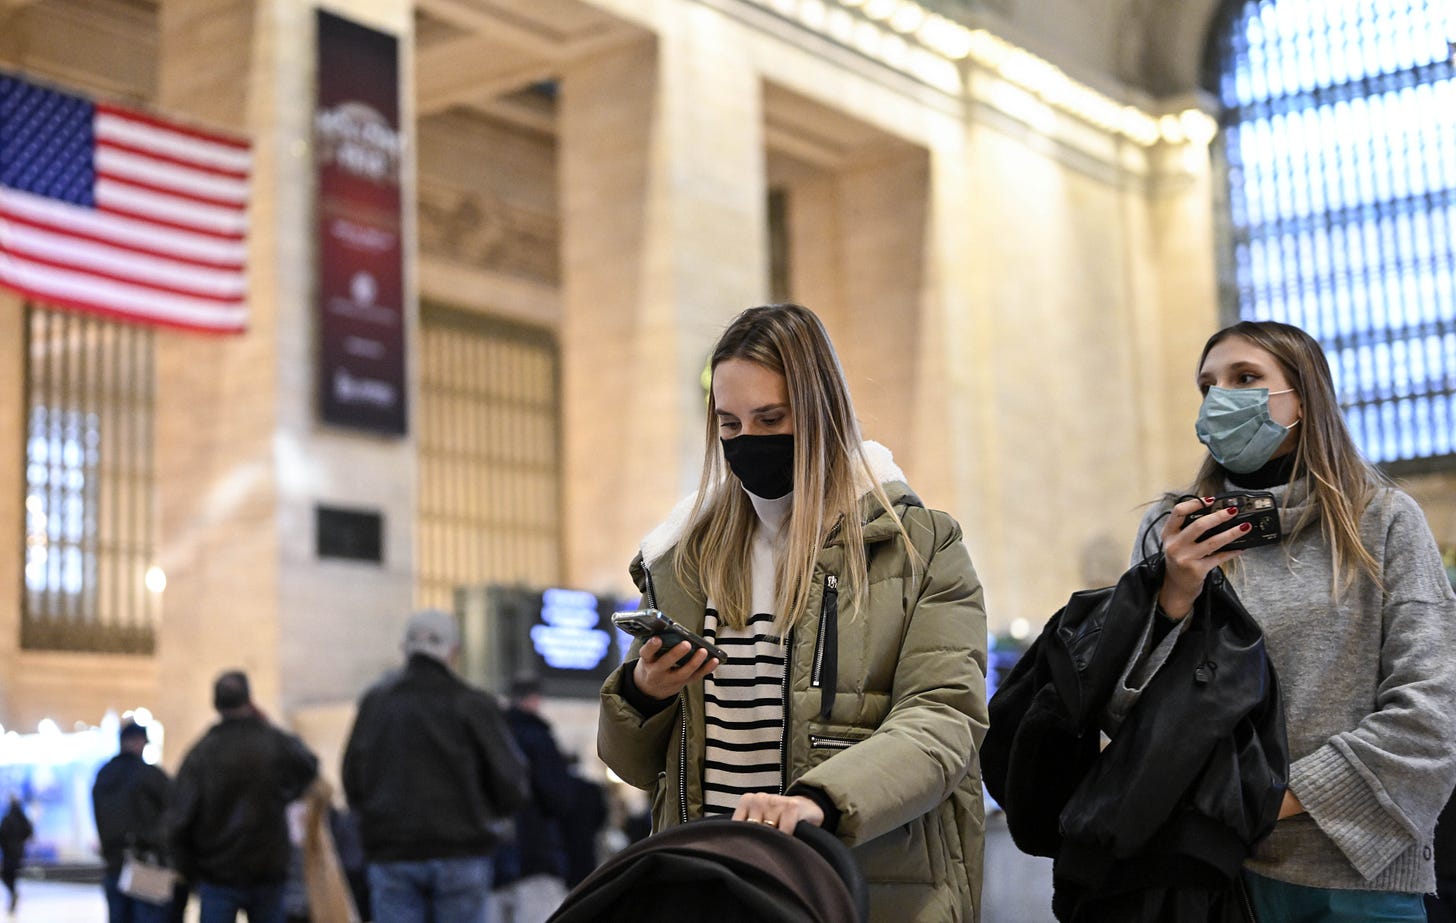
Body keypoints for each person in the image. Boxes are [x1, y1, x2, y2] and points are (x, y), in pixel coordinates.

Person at [596, 303, 989, 922]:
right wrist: (644, 692)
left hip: (859, 887)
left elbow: (944, 719)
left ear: (819, 412)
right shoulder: (684, 559)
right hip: (709, 892)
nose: (747, 441)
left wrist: (821, 802)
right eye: (728, 424)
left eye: (770, 418)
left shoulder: (915, 546)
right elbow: (630, 764)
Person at [1132, 320, 1456, 921]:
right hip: (1198, 871)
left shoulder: (1383, 520)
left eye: (1246, 378)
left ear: (1302, 399)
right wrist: (1173, 595)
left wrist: (1265, 798)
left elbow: (1433, 709)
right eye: (1208, 386)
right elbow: (1131, 706)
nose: (1220, 398)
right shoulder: (1170, 530)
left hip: (1355, 874)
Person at [343, 609, 529, 923]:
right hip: (462, 852)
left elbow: (352, 778)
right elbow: (511, 781)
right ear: (454, 651)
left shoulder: (375, 702)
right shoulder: (472, 702)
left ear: (404, 648)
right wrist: (490, 817)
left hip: (391, 853)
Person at [169, 670, 320, 923]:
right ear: (250, 700)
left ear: (216, 703)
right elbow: (308, 766)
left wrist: (190, 869)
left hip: (217, 874)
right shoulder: (272, 741)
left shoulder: (203, 752)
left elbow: (180, 817)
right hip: (267, 871)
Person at [492, 674, 573, 923]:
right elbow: (557, 797)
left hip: (494, 854)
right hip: (536, 850)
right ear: (535, 699)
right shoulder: (539, 738)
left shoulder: (493, 735)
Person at [93, 721, 173, 923]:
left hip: (113, 862)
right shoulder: (150, 775)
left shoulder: (104, 775)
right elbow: (173, 810)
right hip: (146, 864)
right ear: (138, 741)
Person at [0, 795, 32, 915]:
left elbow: (2, 834)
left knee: (7, 875)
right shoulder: (22, 818)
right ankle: (13, 894)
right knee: (10, 876)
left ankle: (13, 894)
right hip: (18, 852)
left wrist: (6, 845)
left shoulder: (8, 818)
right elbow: (29, 831)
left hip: (9, 853)